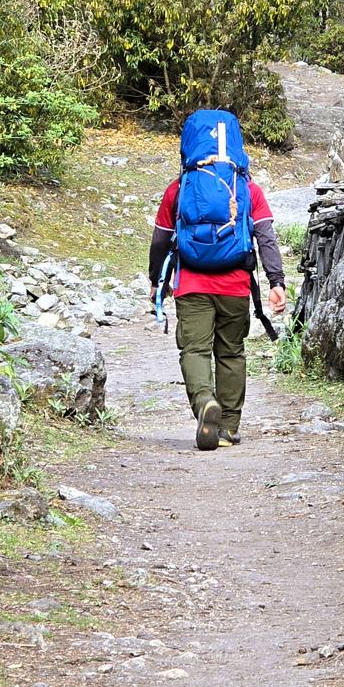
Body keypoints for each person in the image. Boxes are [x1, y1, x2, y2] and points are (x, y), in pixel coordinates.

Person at [148, 115, 286, 451]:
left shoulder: (180, 189)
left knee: (194, 350)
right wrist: (276, 281)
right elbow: (266, 237)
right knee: (231, 353)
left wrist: (157, 282)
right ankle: (227, 427)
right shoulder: (249, 189)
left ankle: (205, 403)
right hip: (236, 284)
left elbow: (160, 240)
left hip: (192, 284)